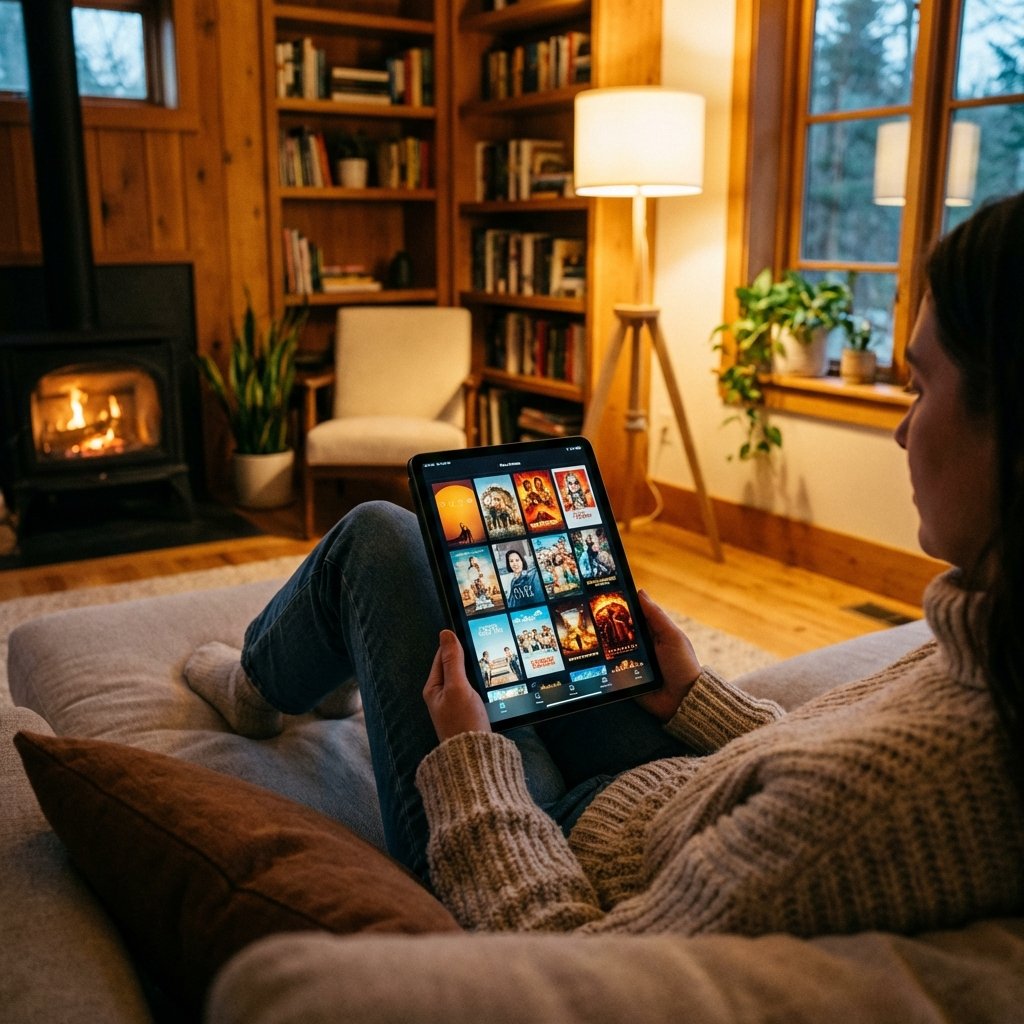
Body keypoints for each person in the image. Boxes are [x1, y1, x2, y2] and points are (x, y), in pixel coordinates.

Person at [185, 191, 1024, 939]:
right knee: (499, 594)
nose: (903, 432)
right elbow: (813, 763)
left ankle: (259, 690)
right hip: (669, 788)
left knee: (378, 535)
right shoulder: (989, 640)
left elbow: (576, 959)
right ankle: (318, 661)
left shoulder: (900, 797)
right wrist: (696, 697)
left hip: (556, 841)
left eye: (918, 386)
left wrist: (474, 765)